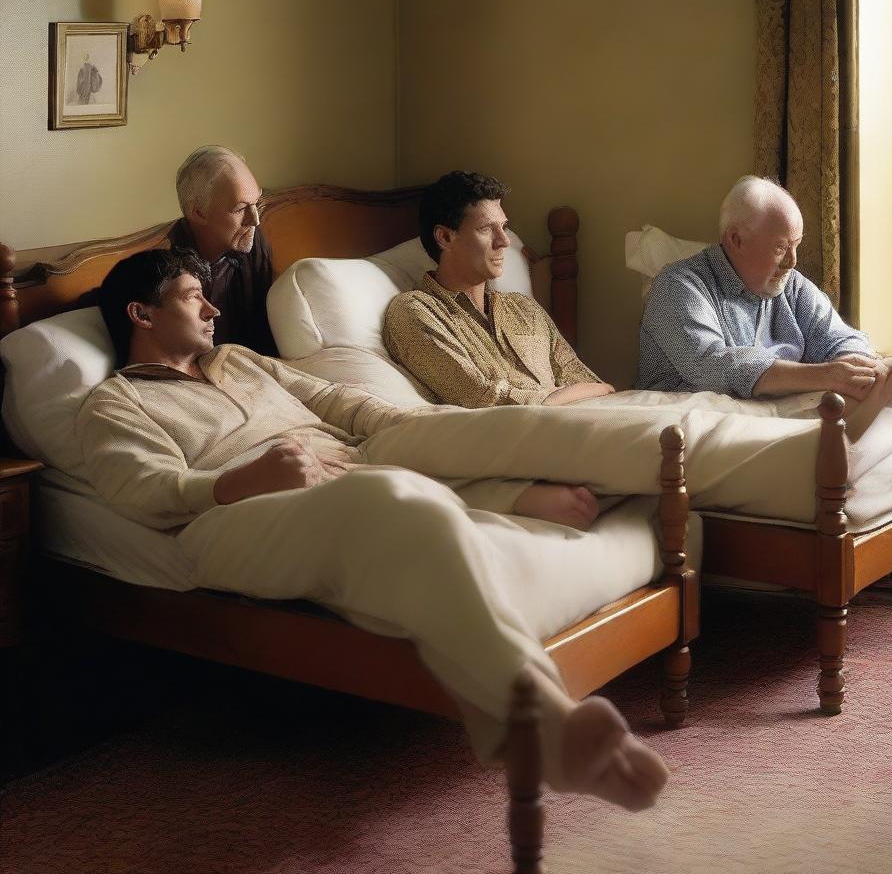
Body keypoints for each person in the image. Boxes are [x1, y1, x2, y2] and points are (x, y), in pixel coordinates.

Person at [76, 248, 672, 811]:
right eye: (192, 297)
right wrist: (238, 482)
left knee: (410, 485)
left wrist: (434, 430)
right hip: (231, 516)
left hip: (348, 470)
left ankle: (534, 497)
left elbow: (337, 400)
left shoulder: (239, 360)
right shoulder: (115, 404)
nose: (213, 309)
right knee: (387, 493)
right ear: (142, 313)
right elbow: (143, 491)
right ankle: (541, 718)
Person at [636, 175, 892, 442]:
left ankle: (887, 385)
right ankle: (887, 392)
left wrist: (853, 363)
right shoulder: (678, 286)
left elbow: (838, 336)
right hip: (700, 412)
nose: (792, 261)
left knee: (852, 372)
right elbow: (714, 365)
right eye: (781, 247)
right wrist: (827, 375)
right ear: (736, 239)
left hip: (777, 406)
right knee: (832, 394)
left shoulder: (791, 285)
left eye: (796, 245)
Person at [383, 170, 615, 408]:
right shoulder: (414, 312)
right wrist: (552, 399)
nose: (504, 241)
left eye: (504, 227)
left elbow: (593, 385)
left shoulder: (525, 308)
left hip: (584, 424)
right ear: (444, 237)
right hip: (515, 436)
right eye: (486, 228)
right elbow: (483, 399)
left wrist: (572, 395)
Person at [168, 145, 277, 355]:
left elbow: (265, 331)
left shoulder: (254, 241)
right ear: (199, 213)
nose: (255, 219)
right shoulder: (167, 267)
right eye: (240, 208)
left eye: (257, 202)